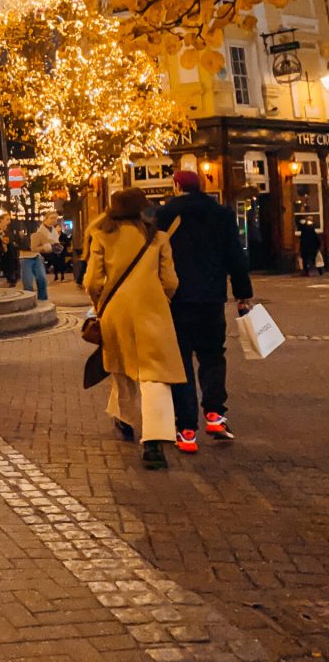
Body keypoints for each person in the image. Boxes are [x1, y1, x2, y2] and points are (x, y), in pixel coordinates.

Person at [85, 187, 185, 470]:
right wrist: (159, 299)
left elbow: (93, 281)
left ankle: (126, 420)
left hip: (116, 311)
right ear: (142, 210)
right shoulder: (159, 238)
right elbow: (171, 281)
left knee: (121, 368)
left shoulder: (102, 237)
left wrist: (100, 303)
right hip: (153, 310)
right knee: (155, 376)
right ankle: (154, 442)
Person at [154, 170, 253, 452]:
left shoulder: (164, 215)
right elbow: (235, 254)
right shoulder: (220, 213)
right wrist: (243, 293)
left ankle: (186, 430)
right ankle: (214, 413)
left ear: (175, 186)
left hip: (177, 298)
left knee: (181, 361)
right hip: (211, 296)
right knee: (213, 354)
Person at [18, 216, 54, 302]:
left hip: (37, 257)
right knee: (28, 282)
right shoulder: (22, 233)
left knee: (42, 279)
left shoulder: (39, 234)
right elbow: (24, 245)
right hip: (25, 258)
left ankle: (43, 300)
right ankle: (29, 301)